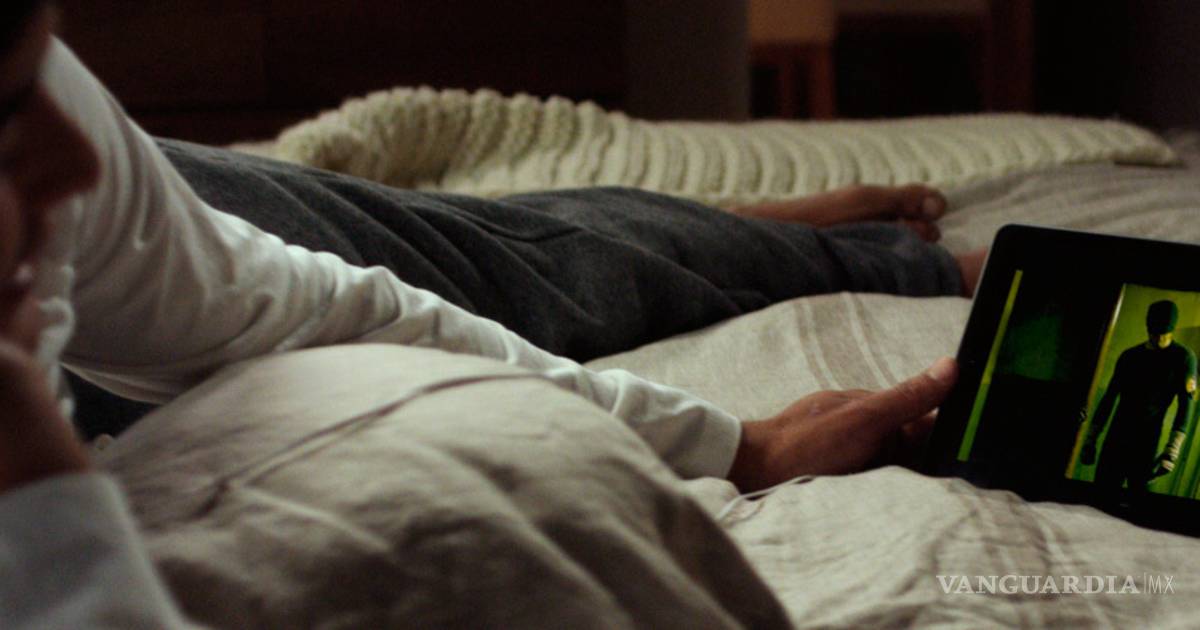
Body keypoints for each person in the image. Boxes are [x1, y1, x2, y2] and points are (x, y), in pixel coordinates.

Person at [0, 2, 979, 625]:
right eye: (1, 114)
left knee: (504, 258)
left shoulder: (66, 156)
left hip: (187, 259)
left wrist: (739, 448)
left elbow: (308, 309)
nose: (73, 158)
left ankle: (747, 235)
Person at [1081, 300, 1197, 490]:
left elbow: (1186, 406)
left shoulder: (1183, 358)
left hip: (1148, 443)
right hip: (1116, 438)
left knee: (1140, 500)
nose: (1158, 338)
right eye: (1154, 332)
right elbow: (1109, 398)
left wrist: (1172, 450)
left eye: (1164, 333)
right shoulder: (1130, 357)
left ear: (1172, 330)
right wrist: (1091, 438)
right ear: (1148, 328)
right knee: (1102, 494)